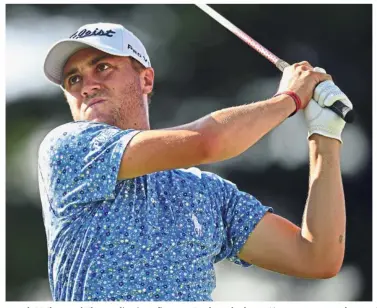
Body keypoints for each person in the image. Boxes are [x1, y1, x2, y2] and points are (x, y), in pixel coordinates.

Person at [38, 22, 352, 301]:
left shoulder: (204, 193)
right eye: (73, 79)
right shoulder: (67, 149)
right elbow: (208, 141)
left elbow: (316, 257)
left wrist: (325, 134)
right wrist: (290, 100)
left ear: (145, 79)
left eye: (102, 67)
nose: (86, 86)